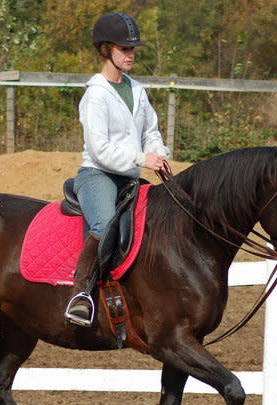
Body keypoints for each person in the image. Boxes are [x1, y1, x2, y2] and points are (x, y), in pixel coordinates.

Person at [64, 12, 171, 327]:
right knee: (104, 223)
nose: (131, 54)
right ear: (105, 49)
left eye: (133, 48)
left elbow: (150, 131)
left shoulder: (137, 89)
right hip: (98, 175)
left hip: (130, 175)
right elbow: (101, 149)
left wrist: (159, 154)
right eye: (124, 48)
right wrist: (142, 159)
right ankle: (81, 294)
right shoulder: (95, 95)